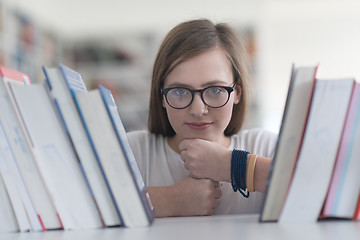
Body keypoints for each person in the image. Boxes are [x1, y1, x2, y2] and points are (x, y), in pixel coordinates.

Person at [128, 18, 277, 217]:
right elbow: (74, 211)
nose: (198, 110)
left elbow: (326, 191)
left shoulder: (263, 146)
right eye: (180, 91)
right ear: (161, 96)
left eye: (215, 89)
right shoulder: (132, 152)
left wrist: (234, 166)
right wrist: (169, 200)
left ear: (237, 93)